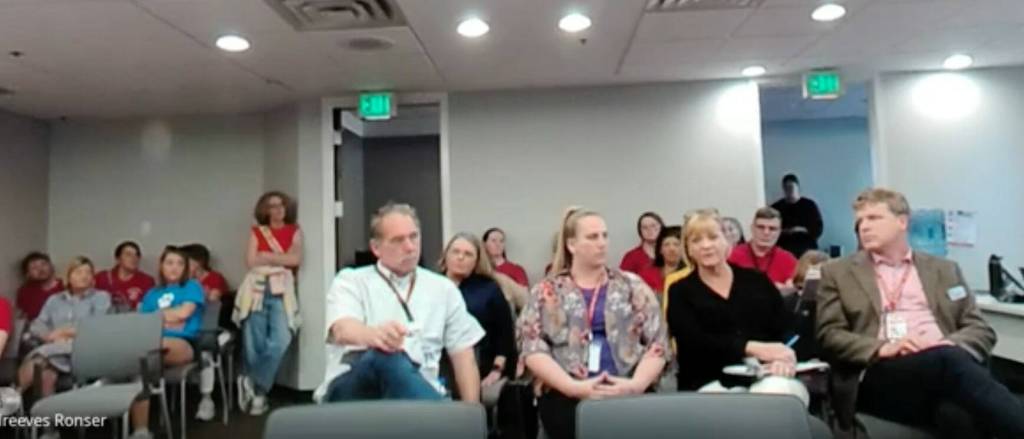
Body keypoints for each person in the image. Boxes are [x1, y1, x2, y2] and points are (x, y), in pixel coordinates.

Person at [817, 188, 1024, 438]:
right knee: (953, 366)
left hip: (943, 367)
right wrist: (882, 348)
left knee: (957, 413)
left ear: (902, 222)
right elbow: (829, 334)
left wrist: (947, 344)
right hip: (881, 370)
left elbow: (980, 329)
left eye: (874, 218)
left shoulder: (944, 269)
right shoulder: (837, 272)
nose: (864, 227)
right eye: (860, 221)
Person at [518, 207, 668, 439]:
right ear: (571, 245)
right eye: (592, 237)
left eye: (604, 236)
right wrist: (571, 387)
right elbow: (532, 347)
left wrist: (636, 384)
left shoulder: (631, 285)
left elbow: (658, 343)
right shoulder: (547, 291)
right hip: (566, 395)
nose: (602, 243)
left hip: (628, 391)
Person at [317, 203, 485, 404]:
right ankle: (438, 416)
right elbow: (342, 329)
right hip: (355, 389)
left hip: (418, 387)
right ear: (376, 248)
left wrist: (472, 414)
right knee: (386, 356)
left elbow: (464, 356)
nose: (410, 247)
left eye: (414, 237)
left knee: (401, 366)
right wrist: (375, 336)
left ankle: (441, 416)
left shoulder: (443, 289)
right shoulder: (351, 281)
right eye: (398, 240)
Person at [666, 211, 801, 397]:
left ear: (727, 241)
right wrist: (750, 348)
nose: (706, 245)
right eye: (696, 240)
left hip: (766, 374)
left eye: (713, 237)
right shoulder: (680, 291)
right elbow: (694, 343)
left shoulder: (757, 281)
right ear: (688, 249)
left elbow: (785, 328)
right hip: (710, 381)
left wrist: (782, 358)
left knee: (776, 391)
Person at [17, 257, 111, 439]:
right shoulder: (54, 300)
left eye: (88, 272)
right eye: (78, 272)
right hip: (56, 352)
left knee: (41, 357)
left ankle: (14, 394)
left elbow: (97, 326)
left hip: (84, 350)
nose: (84, 276)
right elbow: (37, 324)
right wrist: (48, 336)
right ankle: (50, 431)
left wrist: (64, 332)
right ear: (68, 277)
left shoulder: (101, 297)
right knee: (46, 374)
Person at [234, 191, 303, 416]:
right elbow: (251, 262)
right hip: (257, 289)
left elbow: (295, 259)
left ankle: (252, 381)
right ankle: (259, 396)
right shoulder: (257, 231)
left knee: (282, 338)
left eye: (281, 205)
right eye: (273, 206)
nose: (278, 209)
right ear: (265, 210)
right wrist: (279, 259)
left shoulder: (294, 231)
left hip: (281, 290)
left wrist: (266, 256)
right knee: (254, 343)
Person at [131, 247, 205, 439]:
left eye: (180, 264)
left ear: (186, 268)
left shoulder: (191, 286)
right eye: (170, 263)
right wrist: (169, 318)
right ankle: (141, 431)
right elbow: (142, 321)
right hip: (148, 345)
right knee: (140, 366)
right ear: (161, 266)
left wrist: (157, 317)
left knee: (143, 353)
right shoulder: (152, 293)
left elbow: (184, 313)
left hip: (183, 343)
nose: (174, 267)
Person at [438, 232, 516, 405]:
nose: (460, 257)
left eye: (468, 254)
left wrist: (497, 370)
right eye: (456, 252)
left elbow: (505, 335)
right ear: (446, 255)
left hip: (479, 362)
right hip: (436, 361)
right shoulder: (431, 285)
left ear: (477, 261)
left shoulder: (489, 289)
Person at [181, 243, 230, 421]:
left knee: (205, 351)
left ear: (199, 262)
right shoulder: (182, 283)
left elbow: (212, 301)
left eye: (187, 261)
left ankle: (206, 399)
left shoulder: (214, 278)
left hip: (212, 327)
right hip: (186, 328)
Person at [728, 207, 798, 291]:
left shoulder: (788, 259)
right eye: (761, 227)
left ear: (779, 232)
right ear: (752, 228)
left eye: (772, 229)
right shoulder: (732, 255)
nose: (766, 232)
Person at [94, 241, 156, 312]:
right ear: (118, 259)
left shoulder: (147, 281)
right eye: (128, 255)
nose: (134, 258)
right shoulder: (102, 278)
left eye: (137, 255)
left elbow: (150, 309)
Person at [772, 174, 823, 258]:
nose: (789, 190)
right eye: (786, 188)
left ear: (798, 188)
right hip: (784, 250)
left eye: (791, 187)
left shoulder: (809, 205)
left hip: (806, 249)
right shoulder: (776, 208)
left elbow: (818, 229)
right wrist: (785, 231)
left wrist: (801, 229)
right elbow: (770, 230)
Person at [638, 225, 686, 299]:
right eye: (666, 245)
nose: (671, 249)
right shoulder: (646, 274)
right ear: (660, 249)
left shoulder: (692, 274)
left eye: (677, 244)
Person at [15, 252, 64, 321]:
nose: (41, 269)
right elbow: (21, 316)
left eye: (43, 264)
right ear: (28, 274)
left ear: (51, 266)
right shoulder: (24, 292)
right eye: (34, 268)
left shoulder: (66, 286)